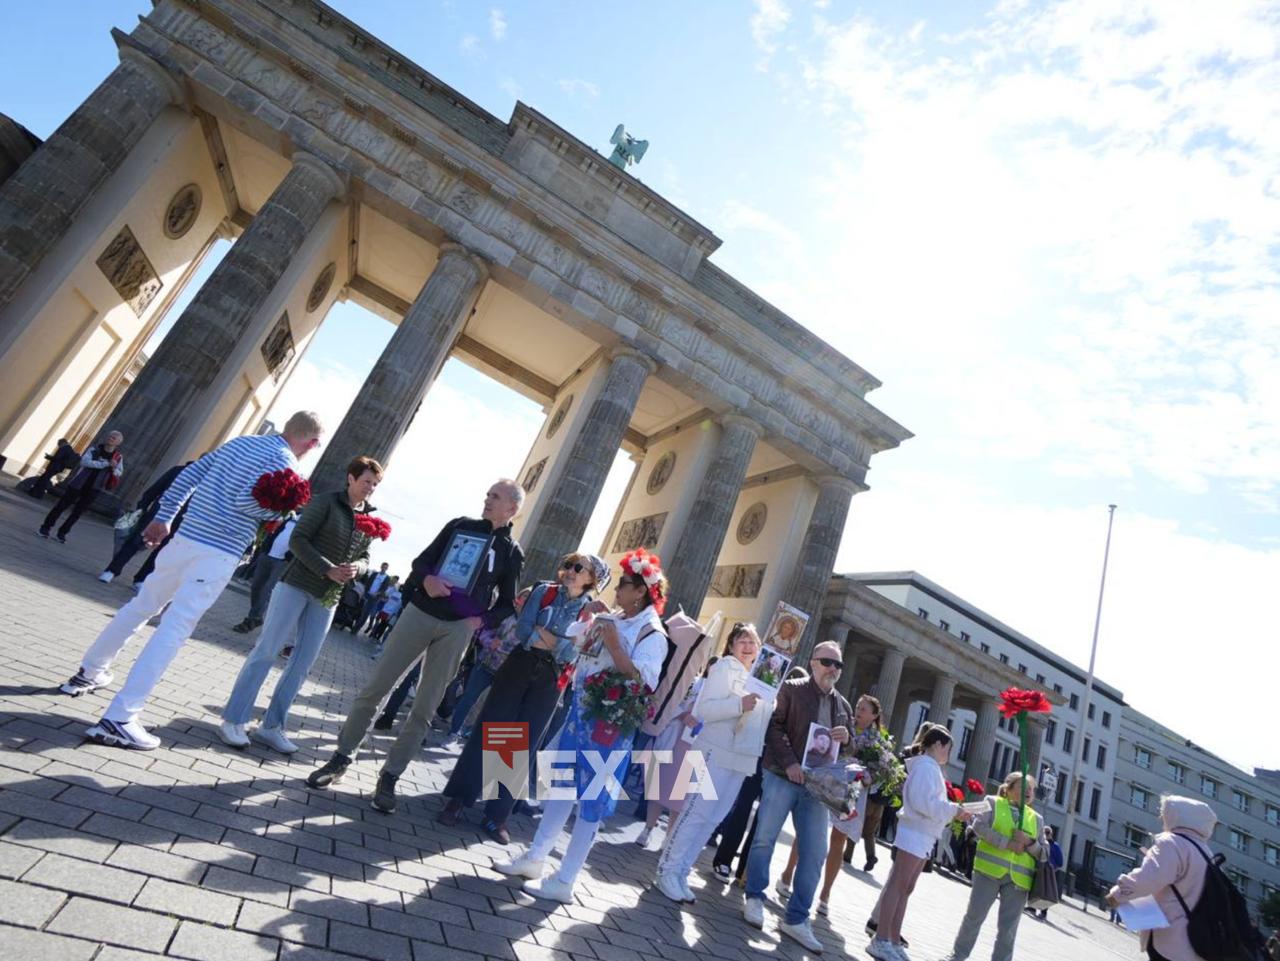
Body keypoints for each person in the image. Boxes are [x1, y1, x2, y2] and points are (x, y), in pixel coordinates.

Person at [58, 412, 324, 750]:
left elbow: (189, 474)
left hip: (185, 538)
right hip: (219, 552)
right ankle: (121, 717)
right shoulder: (287, 464)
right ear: (311, 442)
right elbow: (246, 501)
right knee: (175, 627)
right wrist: (280, 513)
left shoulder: (241, 441)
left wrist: (164, 517)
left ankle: (90, 671)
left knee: (141, 605)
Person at [306, 480, 525, 814]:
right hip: (420, 614)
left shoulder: (512, 552)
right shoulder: (460, 526)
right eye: (487, 494)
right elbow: (421, 562)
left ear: (512, 508)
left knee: (424, 709)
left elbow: (509, 603)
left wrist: (480, 622)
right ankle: (340, 758)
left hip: (457, 630)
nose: (487, 498)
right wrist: (427, 580)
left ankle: (390, 777)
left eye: (494, 496)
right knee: (374, 688)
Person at [494, 551, 667, 903]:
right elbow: (586, 651)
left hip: (608, 726)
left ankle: (567, 879)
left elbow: (643, 681)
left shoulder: (653, 633)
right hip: (582, 711)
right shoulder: (618, 616)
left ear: (642, 592)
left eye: (625, 585)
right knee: (560, 787)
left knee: (590, 800)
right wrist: (589, 628)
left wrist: (614, 640)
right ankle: (536, 857)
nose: (617, 589)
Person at [219, 456, 383, 753]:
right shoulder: (325, 503)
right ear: (350, 478)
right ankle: (233, 719)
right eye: (366, 481)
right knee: (267, 651)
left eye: (375, 483)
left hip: (328, 596)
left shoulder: (368, 518)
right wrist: (327, 568)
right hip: (296, 585)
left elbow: (366, 556)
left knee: (302, 663)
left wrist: (358, 568)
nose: (370, 488)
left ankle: (271, 726)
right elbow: (298, 540)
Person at [440, 553, 607, 843]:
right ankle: (458, 798)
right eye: (568, 564)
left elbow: (571, 653)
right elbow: (525, 630)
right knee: (489, 730)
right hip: (519, 665)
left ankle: (496, 816)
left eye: (579, 568)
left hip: (551, 679)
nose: (569, 571)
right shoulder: (543, 591)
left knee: (521, 743)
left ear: (592, 579)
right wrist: (554, 641)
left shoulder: (590, 614)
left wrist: (550, 639)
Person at [741, 641, 853, 954]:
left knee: (816, 852)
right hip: (781, 775)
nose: (833, 669)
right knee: (765, 837)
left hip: (817, 788)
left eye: (838, 665)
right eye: (828, 662)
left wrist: (848, 739)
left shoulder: (841, 705)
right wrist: (789, 762)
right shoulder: (791, 688)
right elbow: (773, 727)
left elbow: (849, 748)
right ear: (814, 662)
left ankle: (797, 918)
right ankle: (754, 897)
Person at [653, 623, 766, 903]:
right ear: (731, 646)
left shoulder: (759, 679)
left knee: (714, 818)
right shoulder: (725, 667)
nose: (748, 646)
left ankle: (681, 870)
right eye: (742, 640)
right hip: (714, 751)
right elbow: (705, 709)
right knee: (696, 812)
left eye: (754, 642)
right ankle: (666, 869)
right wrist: (740, 705)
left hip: (739, 759)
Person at [869, 723, 974, 961]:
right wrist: (953, 810)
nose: (948, 754)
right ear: (937, 745)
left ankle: (892, 939)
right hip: (915, 832)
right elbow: (922, 803)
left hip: (921, 834)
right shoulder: (926, 767)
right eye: (947, 748)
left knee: (905, 888)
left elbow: (926, 803)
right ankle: (882, 939)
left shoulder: (929, 767)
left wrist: (952, 811)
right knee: (899, 886)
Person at [782, 694, 885, 916]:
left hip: (854, 788)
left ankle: (825, 894)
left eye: (864, 709)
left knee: (839, 838)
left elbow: (880, 770)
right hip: (829, 779)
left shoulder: (878, 742)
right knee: (807, 828)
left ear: (874, 715)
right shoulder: (841, 724)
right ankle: (787, 874)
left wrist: (869, 776)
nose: (858, 710)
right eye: (858, 706)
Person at [944, 771, 1048, 961]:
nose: (1029, 792)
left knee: (1008, 929)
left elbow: (1044, 853)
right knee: (974, 918)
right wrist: (1007, 843)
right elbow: (978, 827)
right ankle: (957, 956)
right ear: (1008, 789)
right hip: (988, 872)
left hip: (1018, 881)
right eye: (1023, 787)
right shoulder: (991, 802)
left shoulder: (1037, 819)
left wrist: (1029, 842)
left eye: (1032, 789)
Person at [1105, 795, 1219, 961]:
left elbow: (1148, 880)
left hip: (1171, 939)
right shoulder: (1205, 852)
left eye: (1164, 812)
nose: (1161, 817)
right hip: (1196, 941)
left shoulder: (1172, 843)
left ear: (1175, 815)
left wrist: (1116, 895)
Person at [444, 587, 533, 741]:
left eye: (529, 598)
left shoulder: (531, 624)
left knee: (492, 706)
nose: (525, 599)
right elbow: (483, 632)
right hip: (486, 663)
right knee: (469, 698)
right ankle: (454, 731)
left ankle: (473, 734)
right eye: (523, 595)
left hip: (508, 671)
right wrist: (490, 641)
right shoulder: (504, 614)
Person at [98, 461, 190, 583]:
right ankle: (112, 570)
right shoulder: (178, 471)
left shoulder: (210, 484)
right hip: (158, 514)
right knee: (135, 542)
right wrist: (142, 507)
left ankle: (141, 579)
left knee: (162, 551)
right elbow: (155, 489)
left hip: (180, 522)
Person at [38, 430, 123, 542]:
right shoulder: (94, 449)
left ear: (118, 443)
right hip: (79, 484)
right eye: (110, 436)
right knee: (61, 506)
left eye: (114, 438)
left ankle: (62, 532)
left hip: (94, 488)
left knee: (78, 512)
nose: (110, 439)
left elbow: (119, 472)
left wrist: (114, 467)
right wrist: (105, 464)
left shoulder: (118, 457)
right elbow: (85, 462)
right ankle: (45, 527)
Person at [232, 515, 297, 633]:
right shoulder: (290, 514)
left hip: (283, 562)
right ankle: (257, 616)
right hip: (267, 555)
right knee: (256, 586)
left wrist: (290, 557)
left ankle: (251, 619)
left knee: (267, 590)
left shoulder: (309, 521)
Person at [1036, 826, 1064, 919]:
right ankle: (1032, 907)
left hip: (1048, 872)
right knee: (1036, 888)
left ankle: (1043, 912)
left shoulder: (1055, 846)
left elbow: (1060, 862)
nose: (1045, 834)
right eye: (1044, 832)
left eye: (1047, 833)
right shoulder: (1041, 843)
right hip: (1039, 869)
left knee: (1046, 892)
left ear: (1051, 834)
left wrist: (1052, 869)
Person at [355, 562, 392, 633]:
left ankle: (356, 629)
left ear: (387, 569)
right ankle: (355, 625)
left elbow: (384, 589)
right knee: (360, 611)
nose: (384, 568)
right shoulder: (375, 574)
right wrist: (365, 592)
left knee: (365, 614)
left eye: (385, 567)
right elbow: (368, 583)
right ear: (381, 566)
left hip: (374, 598)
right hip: (367, 595)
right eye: (383, 567)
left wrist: (377, 593)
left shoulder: (387, 578)